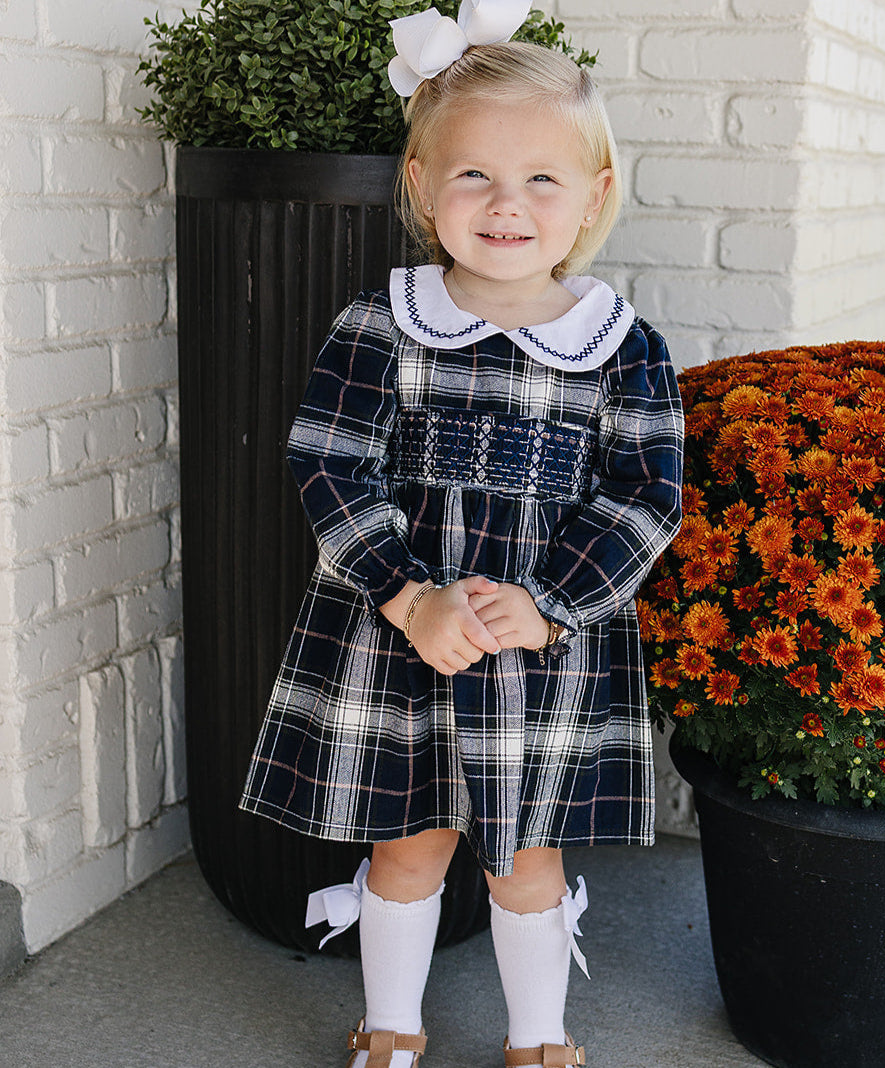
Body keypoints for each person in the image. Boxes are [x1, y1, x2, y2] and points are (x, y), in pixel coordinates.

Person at [239, 2, 684, 1066]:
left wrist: (547, 603)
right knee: (406, 849)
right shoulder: (380, 324)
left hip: (537, 652)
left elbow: (643, 496)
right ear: (420, 184)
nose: (506, 204)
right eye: (473, 174)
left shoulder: (622, 349)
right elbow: (329, 461)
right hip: (401, 641)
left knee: (523, 859)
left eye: (540, 178)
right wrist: (405, 593)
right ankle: (389, 1027)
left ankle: (538, 1038)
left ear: (594, 195)